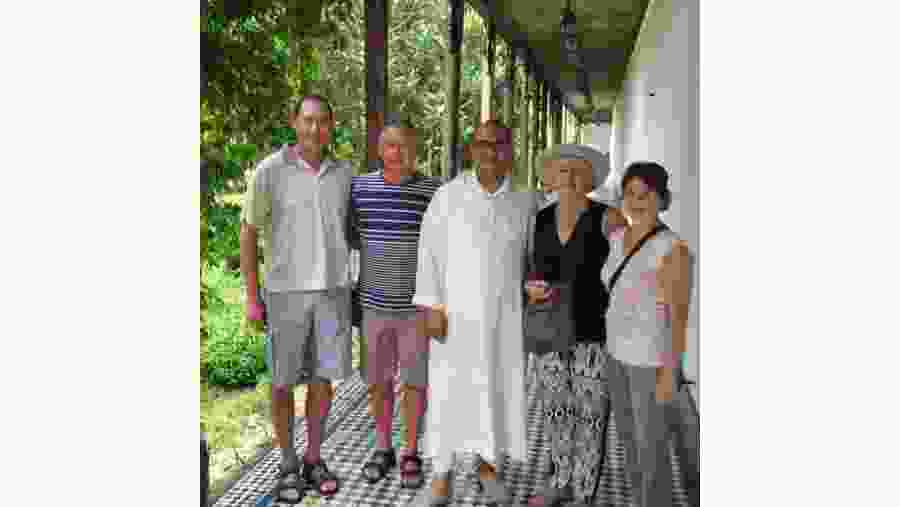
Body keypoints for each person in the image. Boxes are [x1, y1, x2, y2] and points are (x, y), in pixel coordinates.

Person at [413, 119, 536, 506]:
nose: (490, 151)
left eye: (498, 144)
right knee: (448, 394)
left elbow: (533, 257)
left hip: (502, 321)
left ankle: (488, 469)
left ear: (509, 150)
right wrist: (432, 305)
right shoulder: (447, 196)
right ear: (471, 150)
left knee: (495, 393)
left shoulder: (523, 202)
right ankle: (441, 476)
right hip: (454, 319)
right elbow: (428, 253)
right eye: (483, 144)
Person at [240, 94, 354, 503]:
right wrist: (252, 297)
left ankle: (313, 459)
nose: (314, 129)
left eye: (322, 121)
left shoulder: (344, 174)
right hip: (284, 293)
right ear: (294, 122)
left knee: (323, 382)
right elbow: (249, 232)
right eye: (308, 120)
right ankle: (287, 464)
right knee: (282, 383)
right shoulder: (269, 171)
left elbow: (353, 231)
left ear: (331, 125)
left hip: (332, 292)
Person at [525, 144, 626, 507]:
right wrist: (529, 288)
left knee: (591, 415)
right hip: (550, 330)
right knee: (556, 411)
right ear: (551, 178)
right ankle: (561, 480)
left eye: (577, 170)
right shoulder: (539, 220)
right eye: (561, 170)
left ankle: (584, 491)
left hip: (594, 331)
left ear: (590, 178)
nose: (568, 176)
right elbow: (530, 269)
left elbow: (627, 272)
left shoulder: (608, 218)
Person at [348, 115, 443, 489]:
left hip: (416, 308)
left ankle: (410, 451)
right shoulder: (360, 189)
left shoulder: (433, 190)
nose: (397, 152)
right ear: (379, 149)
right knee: (378, 381)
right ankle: (383, 448)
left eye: (404, 145)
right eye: (390, 145)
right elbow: (348, 236)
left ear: (414, 149)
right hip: (373, 305)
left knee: (415, 383)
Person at [601, 161, 692, 507]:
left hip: (650, 361)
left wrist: (671, 372)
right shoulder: (617, 238)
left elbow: (678, 318)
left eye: (646, 195)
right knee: (629, 445)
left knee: (651, 451)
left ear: (662, 199)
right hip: (616, 355)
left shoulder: (672, 249)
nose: (637, 202)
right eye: (630, 194)